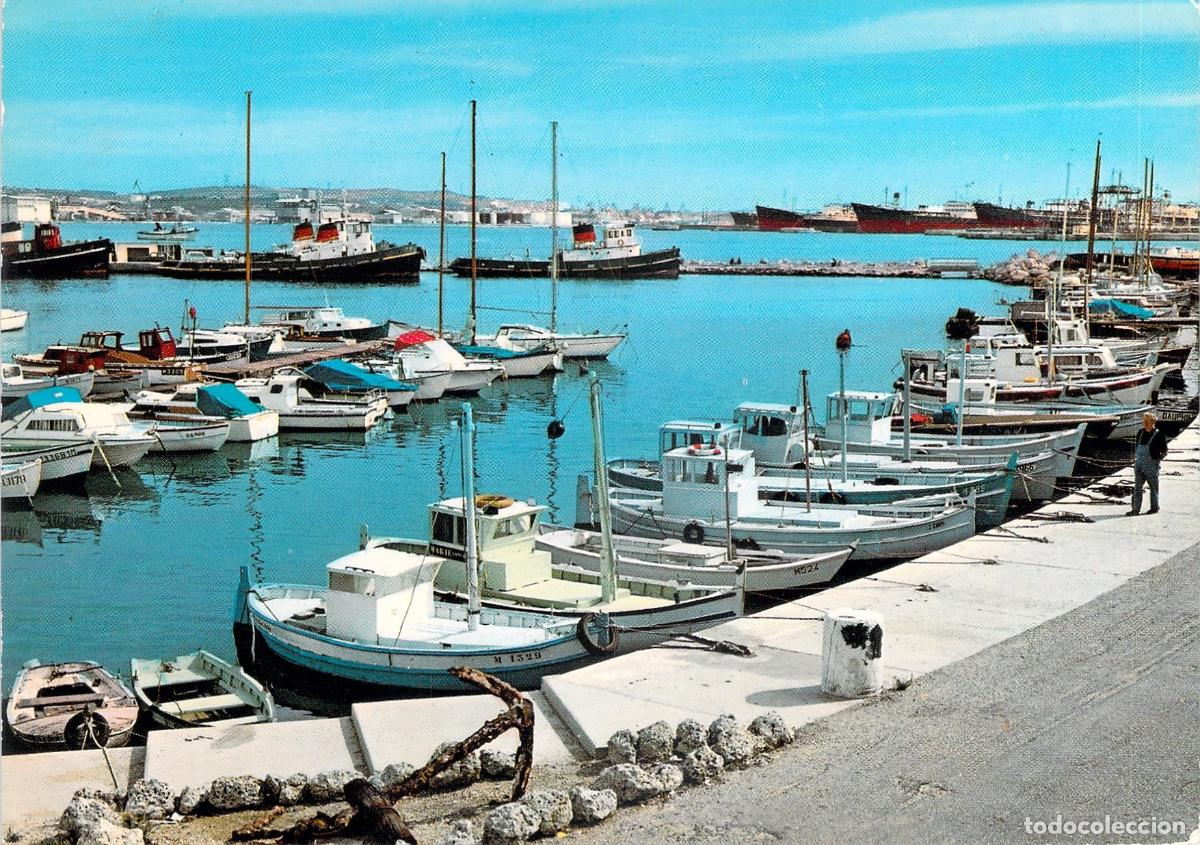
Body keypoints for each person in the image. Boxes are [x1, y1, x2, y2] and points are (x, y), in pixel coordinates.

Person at [1127, 412, 1168, 516]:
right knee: (1137, 488)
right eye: (1144, 421)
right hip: (1139, 464)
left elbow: (1165, 451)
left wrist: (1157, 460)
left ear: (1153, 422)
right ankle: (1135, 509)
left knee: (1153, 488)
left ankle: (1154, 508)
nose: (1144, 423)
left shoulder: (1159, 435)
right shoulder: (1140, 432)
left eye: (1147, 421)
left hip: (1151, 465)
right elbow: (1137, 446)